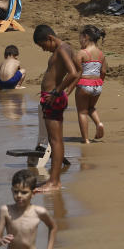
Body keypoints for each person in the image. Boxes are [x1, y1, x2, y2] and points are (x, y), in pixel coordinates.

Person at [33, 25, 79, 192]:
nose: (44, 49)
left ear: (50, 38)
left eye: (43, 45)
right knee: (56, 140)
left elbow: (73, 73)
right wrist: (68, 90)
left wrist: (57, 91)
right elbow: (79, 71)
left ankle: (54, 181)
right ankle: (54, 180)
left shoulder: (60, 49)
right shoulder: (66, 47)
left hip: (52, 98)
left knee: (55, 141)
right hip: (54, 97)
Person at [74, 25, 107, 144]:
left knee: (82, 112)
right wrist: (99, 82)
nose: (79, 41)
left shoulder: (82, 53)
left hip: (84, 84)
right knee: (91, 108)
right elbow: (103, 71)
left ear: (86, 37)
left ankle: (86, 139)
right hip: (97, 86)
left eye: (80, 38)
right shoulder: (101, 54)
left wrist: (70, 87)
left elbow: (76, 72)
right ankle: (99, 123)